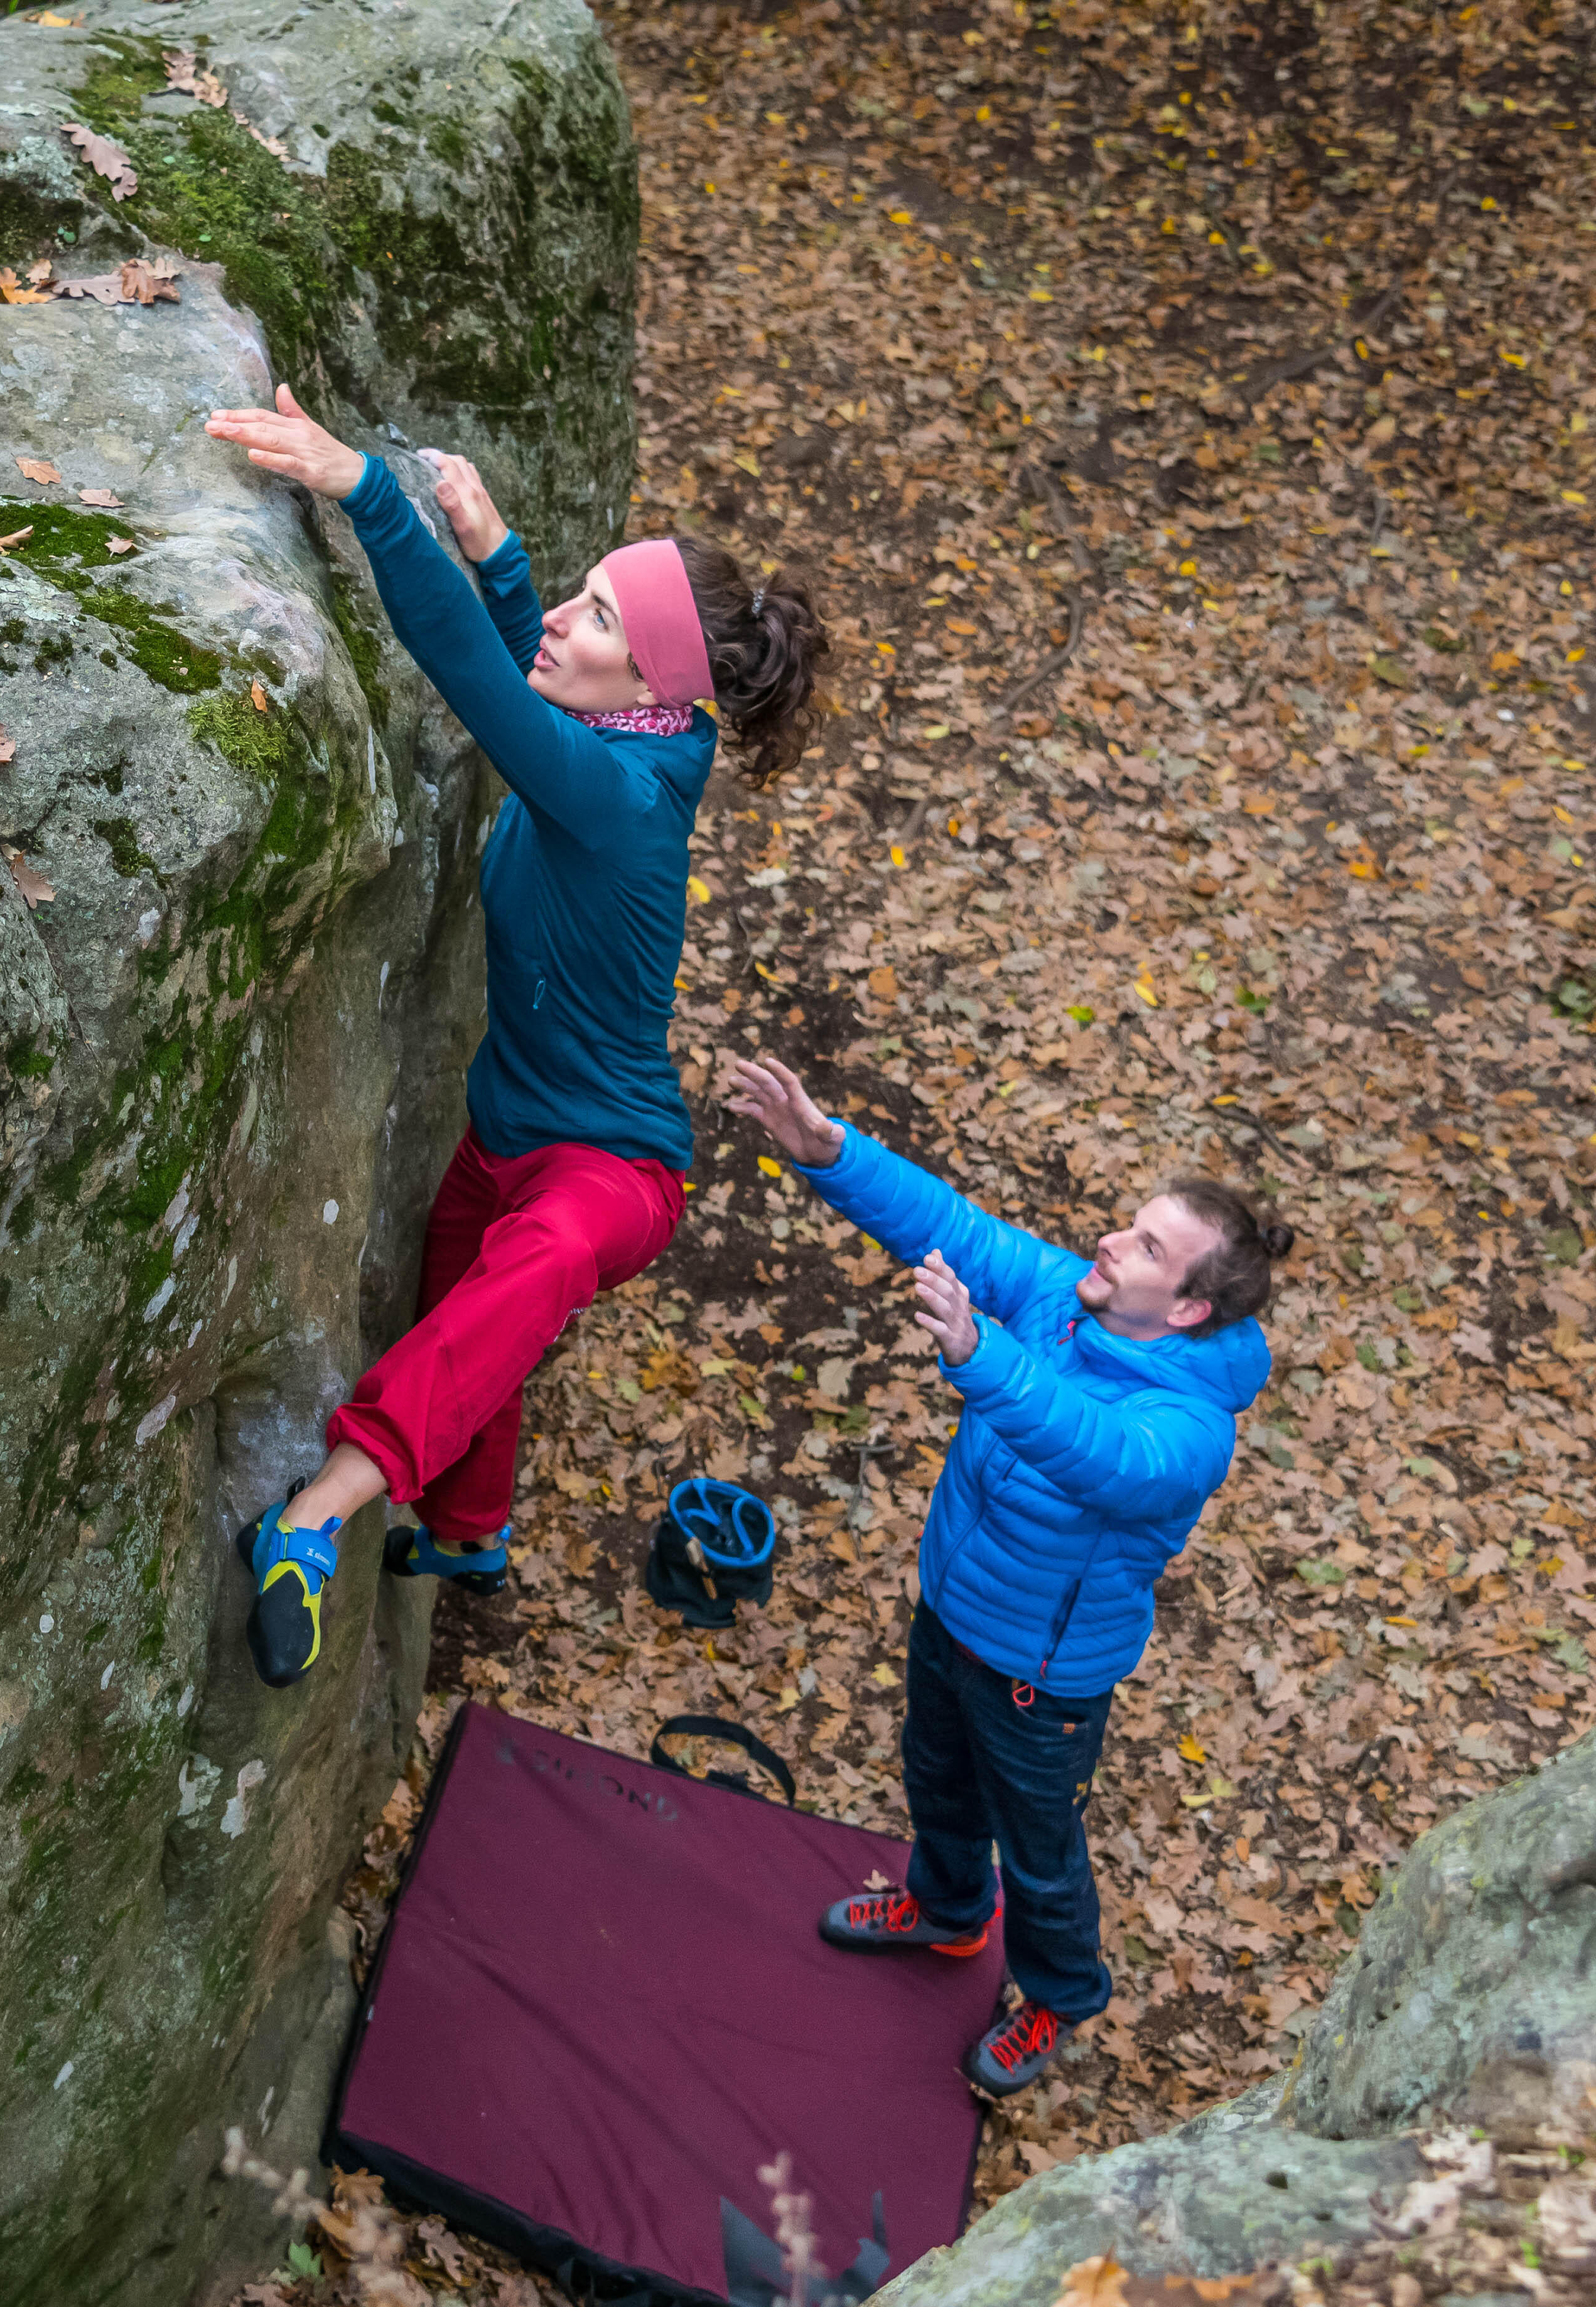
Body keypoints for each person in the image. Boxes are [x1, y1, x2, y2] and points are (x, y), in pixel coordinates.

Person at [205, 386, 827, 1687]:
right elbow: (540, 687)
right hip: (507, 1128)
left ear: (654, 683)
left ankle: (314, 1518)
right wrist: (499, 555)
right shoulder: (645, 734)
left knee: (521, 1281)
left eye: (597, 615)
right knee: (464, 1319)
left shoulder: (624, 794)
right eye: (582, 591)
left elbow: (493, 689)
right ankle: (472, 1538)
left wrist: (365, 491)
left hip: (611, 1171)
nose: (562, 621)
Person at [718, 1054, 1288, 2100]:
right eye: (1131, 1224)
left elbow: (1099, 1455)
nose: (1111, 1241)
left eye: (1146, 1245)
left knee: (1037, 1851)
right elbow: (959, 1228)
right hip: (955, 1610)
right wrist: (829, 1149)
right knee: (933, 1779)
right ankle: (944, 1909)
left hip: (1044, 1675)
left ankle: (1060, 1995)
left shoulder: (1192, 1427)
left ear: (1190, 1309)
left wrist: (985, 1357)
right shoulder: (1069, 1304)